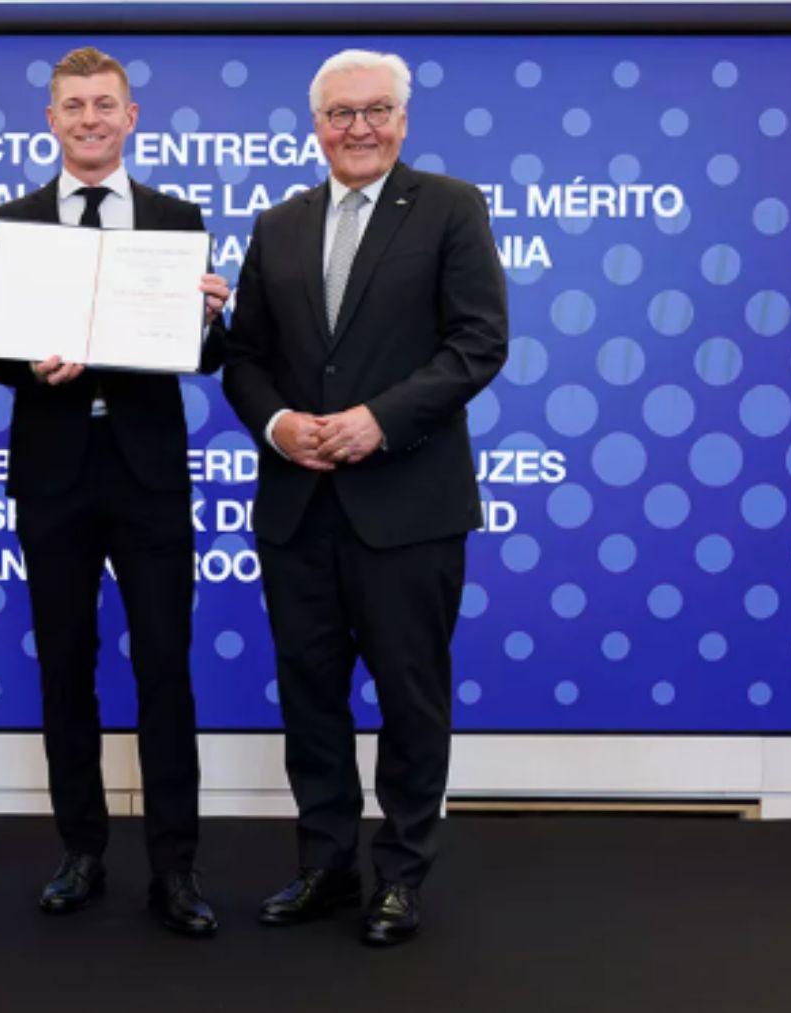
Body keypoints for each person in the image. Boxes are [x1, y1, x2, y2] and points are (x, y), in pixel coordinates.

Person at [222, 49, 508, 945]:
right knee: (311, 698)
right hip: (299, 508)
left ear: (404, 119)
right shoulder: (277, 224)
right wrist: (277, 426)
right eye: (341, 114)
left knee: (412, 699)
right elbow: (245, 356)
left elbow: (478, 343)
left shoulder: (452, 208)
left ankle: (402, 876)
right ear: (316, 126)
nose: (358, 128)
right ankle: (326, 867)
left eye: (376, 110)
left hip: (409, 508)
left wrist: (378, 421)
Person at [0, 46, 231, 938]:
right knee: (66, 668)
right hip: (52, 476)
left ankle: (176, 866)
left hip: (149, 477)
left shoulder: (175, 216)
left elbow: (199, 357)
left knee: (165, 669)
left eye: (105, 104)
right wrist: (31, 366)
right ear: (51, 120)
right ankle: (80, 850)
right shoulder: (12, 221)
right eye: (73, 104)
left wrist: (209, 318)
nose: (89, 117)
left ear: (132, 119)